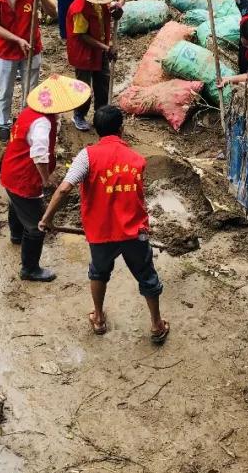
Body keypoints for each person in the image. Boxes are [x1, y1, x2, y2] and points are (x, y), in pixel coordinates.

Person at [39, 105, 170, 344]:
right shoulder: (137, 159)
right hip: (135, 232)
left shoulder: (86, 157)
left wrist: (47, 218)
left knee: (98, 272)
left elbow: (65, 188)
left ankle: (98, 319)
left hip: (101, 233)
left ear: (97, 129)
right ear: (121, 129)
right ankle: (156, 325)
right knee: (147, 276)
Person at [1, 74, 92, 282]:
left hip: (11, 170)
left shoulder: (29, 112)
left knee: (15, 205)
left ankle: (16, 236)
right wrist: (46, 178)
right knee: (36, 226)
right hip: (24, 177)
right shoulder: (42, 123)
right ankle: (30, 269)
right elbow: (39, 154)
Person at [0, 0, 56, 142]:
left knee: (31, 89)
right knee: (5, 89)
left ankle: (26, 120)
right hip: (7, 50)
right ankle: (3, 123)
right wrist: (17, 40)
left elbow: (53, 13)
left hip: (31, 48)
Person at [66, 0, 124, 132]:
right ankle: (79, 114)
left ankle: (102, 116)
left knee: (103, 83)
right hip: (83, 51)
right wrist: (106, 47)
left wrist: (118, 6)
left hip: (101, 49)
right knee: (83, 87)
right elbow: (82, 35)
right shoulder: (79, 9)